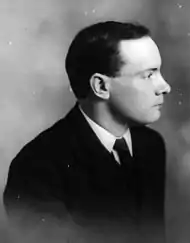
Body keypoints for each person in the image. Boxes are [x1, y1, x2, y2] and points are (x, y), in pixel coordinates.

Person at [3, 21, 171, 241]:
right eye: (148, 75)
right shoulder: (36, 168)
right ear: (101, 86)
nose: (165, 87)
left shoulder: (150, 145)